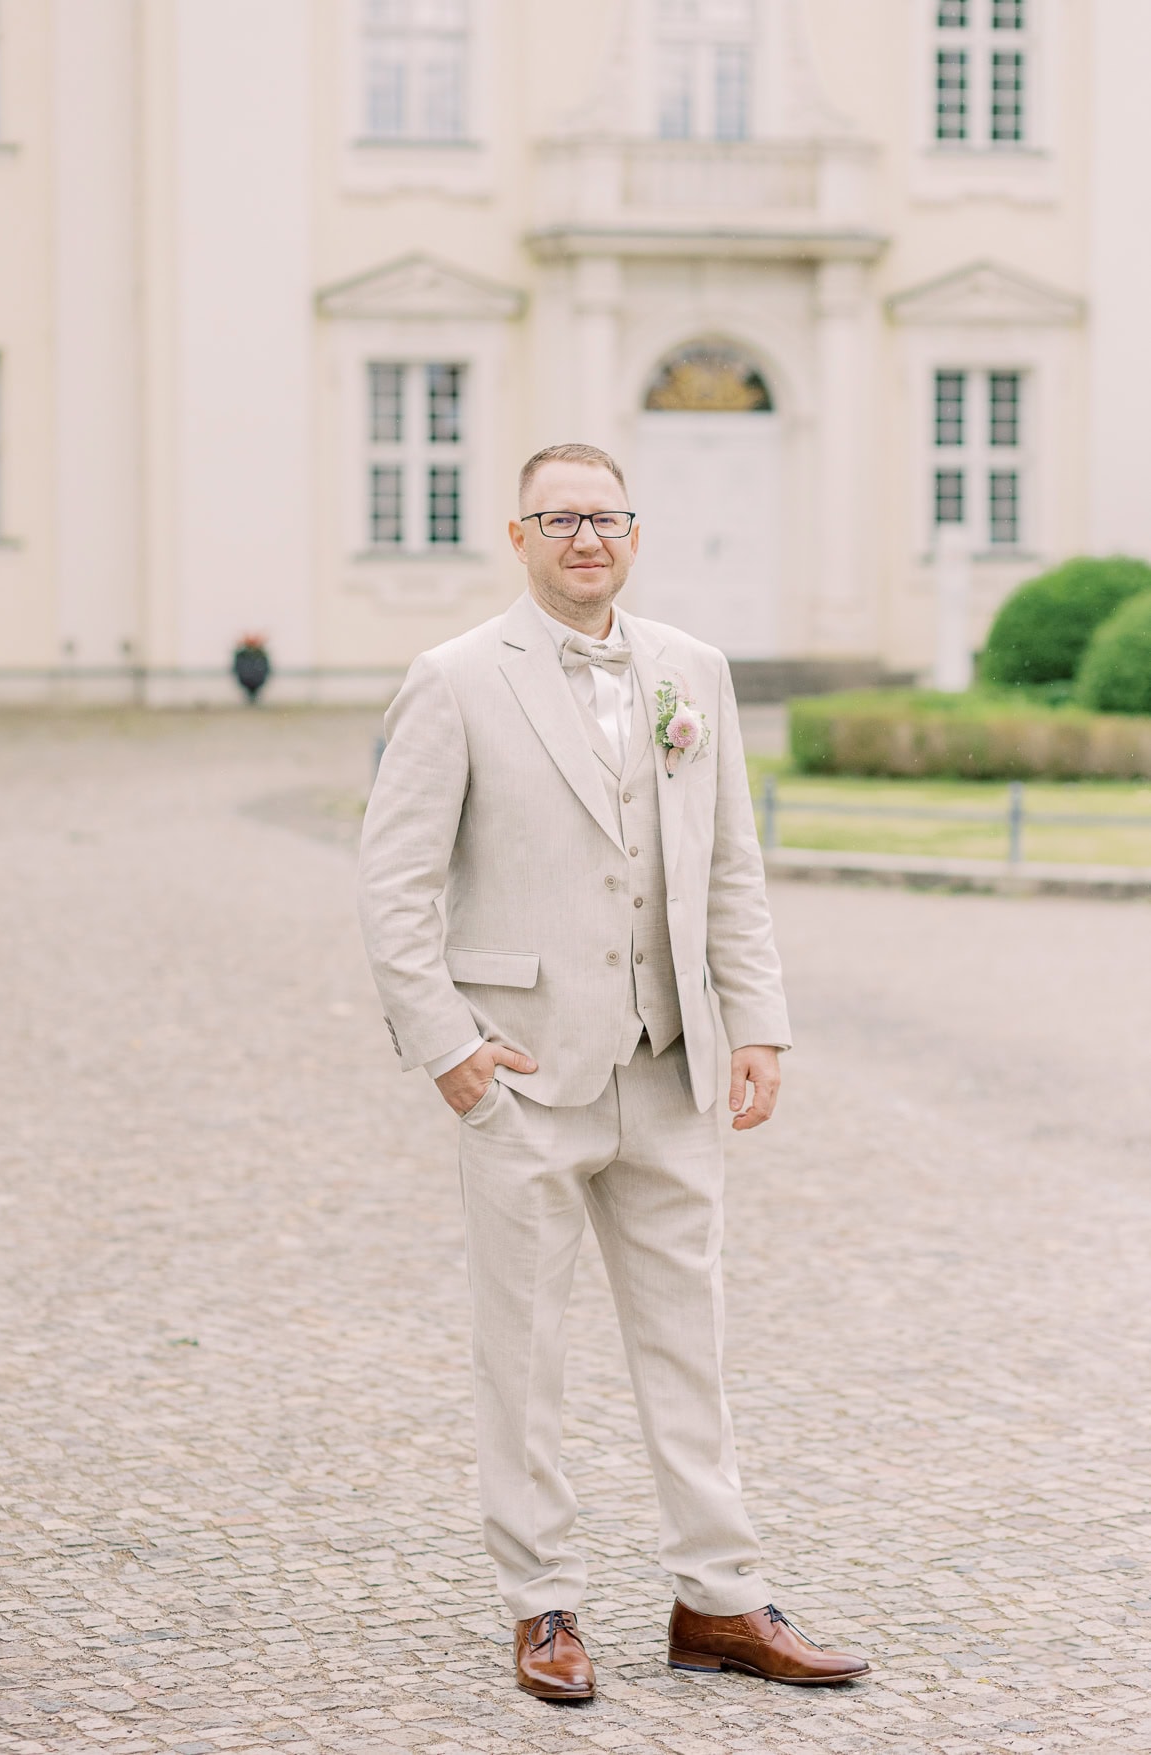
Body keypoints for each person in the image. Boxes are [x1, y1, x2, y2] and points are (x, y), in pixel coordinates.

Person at [357, 442, 869, 1701]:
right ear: (519, 534)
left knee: (688, 1340)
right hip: (524, 1072)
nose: (588, 538)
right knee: (522, 1351)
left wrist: (758, 1024)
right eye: (562, 518)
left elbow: (733, 867)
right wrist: (452, 1052)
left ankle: (721, 1597)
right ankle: (543, 1607)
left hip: (670, 1061)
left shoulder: (693, 673)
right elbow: (394, 883)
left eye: (608, 517)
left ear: (635, 533)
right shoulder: (455, 679)